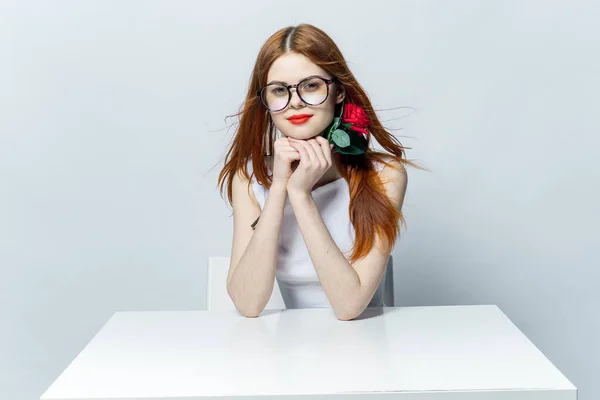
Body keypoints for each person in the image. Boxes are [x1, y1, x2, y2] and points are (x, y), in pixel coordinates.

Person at [217, 23, 420, 320]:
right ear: (266, 103)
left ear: (337, 92)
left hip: (365, 342)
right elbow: (248, 305)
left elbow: (349, 306)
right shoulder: (249, 177)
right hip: (285, 348)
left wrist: (300, 195)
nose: (296, 101)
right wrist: (279, 188)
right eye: (279, 90)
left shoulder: (385, 174)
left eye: (311, 85)